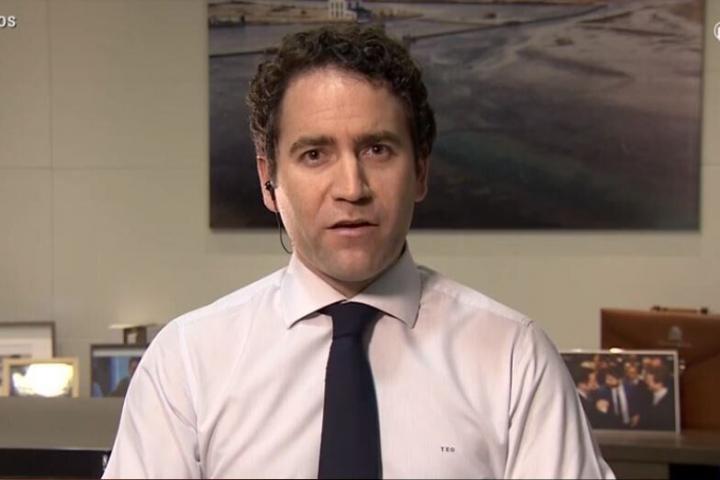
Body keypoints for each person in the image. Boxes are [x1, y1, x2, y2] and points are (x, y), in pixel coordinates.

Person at [103, 24, 613, 478]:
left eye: (377, 149)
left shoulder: (514, 358)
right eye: (314, 154)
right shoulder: (187, 363)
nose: (352, 187)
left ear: (420, 171)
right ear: (268, 180)